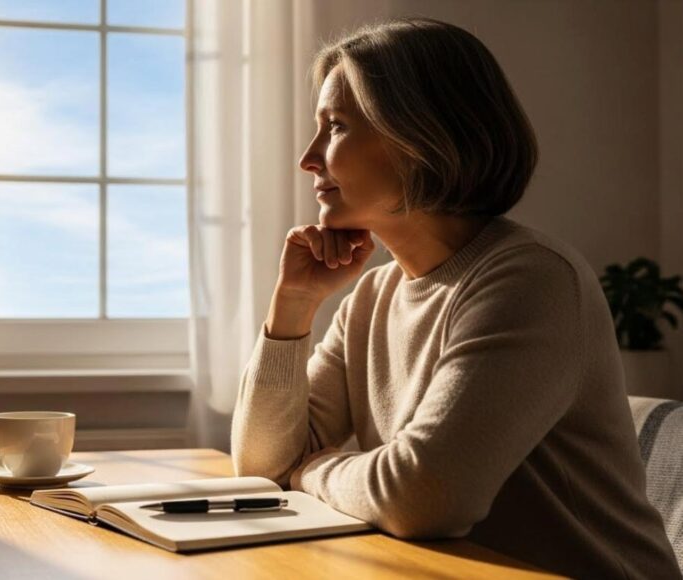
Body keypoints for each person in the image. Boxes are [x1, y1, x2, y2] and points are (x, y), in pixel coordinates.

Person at [230, 17, 680, 579]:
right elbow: (259, 464)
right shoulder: (373, 295)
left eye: (336, 126)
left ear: (419, 136)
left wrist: (311, 470)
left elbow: (424, 497)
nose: (309, 157)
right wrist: (293, 304)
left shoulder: (532, 280)